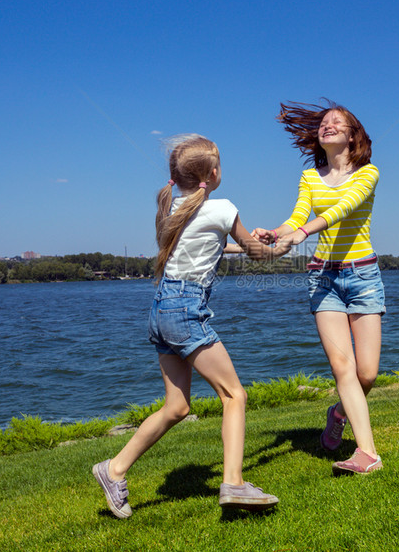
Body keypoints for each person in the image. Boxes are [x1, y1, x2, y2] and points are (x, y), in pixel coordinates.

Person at [93, 134, 289, 518]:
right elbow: (261, 255)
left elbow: (211, 243)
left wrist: (244, 239)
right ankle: (233, 483)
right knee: (235, 395)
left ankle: (113, 469)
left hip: (161, 309)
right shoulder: (223, 208)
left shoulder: (173, 208)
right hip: (185, 309)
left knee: (177, 407)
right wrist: (287, 240)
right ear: (213, 173)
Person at [253, 100, 385, 475]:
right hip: (323, 278)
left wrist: (302, 233)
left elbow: (342, 208)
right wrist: (278, 232)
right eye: (324, 122)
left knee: (367, 374)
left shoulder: (368, 173)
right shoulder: (311, 177)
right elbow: (299, 214)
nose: (327, 125)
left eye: (336, 122)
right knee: (343, 366)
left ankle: (338, 413)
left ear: (352, 134)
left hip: (363, 276)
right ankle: (367, 453)